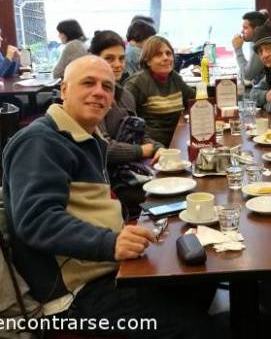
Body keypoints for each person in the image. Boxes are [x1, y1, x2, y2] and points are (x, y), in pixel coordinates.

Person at [2, 55, 214, 338]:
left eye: (107, 86)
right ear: (64, 90)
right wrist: (111, 241)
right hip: (73, 298)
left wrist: (123, 234)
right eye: (88, 83)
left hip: (107, 270)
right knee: (196, 328)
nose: (99, 92)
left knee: (200, 278)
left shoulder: (85, 138)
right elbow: (37, 221)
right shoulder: (40, 142)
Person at [88, 30, 164, 217]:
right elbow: (103, 149)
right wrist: (141, 151)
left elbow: (140, 134)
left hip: (131, 171)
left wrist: (159, 148)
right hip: (107, 183)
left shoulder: (125, 95)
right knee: (165, 196)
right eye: (109, 59)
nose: (117, 65)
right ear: (93, 59)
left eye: (121, 58)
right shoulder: (91, 100)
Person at [125, 35, 195, 146]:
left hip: (176, 140)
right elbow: (126, 124)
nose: (166, 58)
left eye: (168, 53)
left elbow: (193, 100)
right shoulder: (136, 83)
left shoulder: (174, 77)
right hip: (153, 148)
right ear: (148, 61)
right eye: (158, 54)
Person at [232, 10, 267, 83]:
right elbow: (247, 70)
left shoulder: (262, 46)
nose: (242, 31)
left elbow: (246, 76)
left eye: (245, 28)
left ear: (256, 29)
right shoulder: (256, 43)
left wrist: (238, 49)